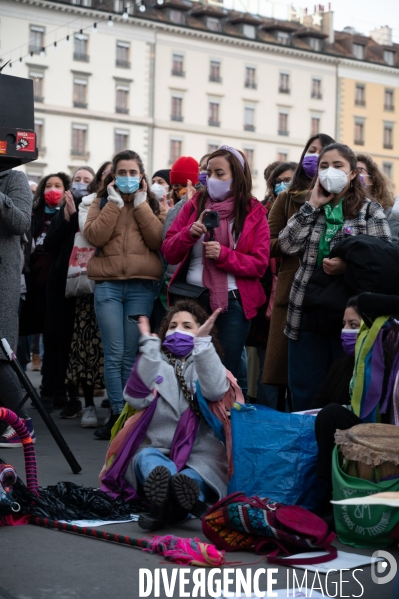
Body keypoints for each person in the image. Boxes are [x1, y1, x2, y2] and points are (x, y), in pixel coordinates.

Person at [279, 142, 391, 411]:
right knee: (304, 389)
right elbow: (287, 245)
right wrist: (312, 205)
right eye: (324, 166)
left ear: (353, 173)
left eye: (338, 165)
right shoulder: (312, 207)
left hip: (350, 316)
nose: (330, 171)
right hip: (307, 311)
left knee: (344, 389)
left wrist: (348, 266)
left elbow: (384, 261)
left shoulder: (369, 210)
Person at [112, 300, 229, 531]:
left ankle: (168, 502)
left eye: (187, 326)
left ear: (202, 332)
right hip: (157, 448)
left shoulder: (207, 364)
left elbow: (216, 389)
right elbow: (135, 397)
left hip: (200, 453)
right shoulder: (155, 364)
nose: (178, 331)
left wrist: (204, 346)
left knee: (196, 477)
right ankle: (179, 499)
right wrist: (148, 350)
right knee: (147, 461)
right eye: (173, 326)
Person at [162, 145, 270, 382]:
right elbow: (169, 252)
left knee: (225, 371)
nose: (212, 179)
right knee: (187, 367)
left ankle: (224, 418)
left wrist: (224, 255)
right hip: (191, 300)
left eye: (220, 173)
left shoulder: (253, 212)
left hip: (232, 305)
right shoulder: (194, 205)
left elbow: (259, 264)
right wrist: (188, 234)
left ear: (237, 177)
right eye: (209, 173)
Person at [84, 150, 166, 439]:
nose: (128, 178)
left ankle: (131, 417)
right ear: (113, 176)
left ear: (141, 176)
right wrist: (114, 206)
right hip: (107, 284)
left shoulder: (154, 203)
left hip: (141, 287)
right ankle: (117, 413)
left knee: (131, 355)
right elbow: (93, 236)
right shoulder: (102, 201)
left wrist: (142, 205)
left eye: (133, 173)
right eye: (122, 172)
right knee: (114, 353)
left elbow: (159, 240)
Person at [262, 134, 335, 403]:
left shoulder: (346, 201)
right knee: (297, 382)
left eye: (322, 152)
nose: (314, 157)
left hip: (333, 294)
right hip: (296, 294)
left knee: (331, 378)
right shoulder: (287, 199)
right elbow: (268, 244)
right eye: (310, 151)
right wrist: (299, 240)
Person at [41, 166, 95, 415]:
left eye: (87, 180)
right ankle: (49, 392)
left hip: (84, 284)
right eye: (77, 179)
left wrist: (76, 217)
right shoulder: (63, 210)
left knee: (76, 343)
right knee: (54, 338)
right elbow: (50, 245)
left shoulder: (95, 209)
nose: (81, 183)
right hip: (59, 283)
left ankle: (75, 396)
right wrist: (67, 218)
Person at [63, 166, 106, 426]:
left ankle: (117, 405)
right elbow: (91, 233)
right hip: (89, 284)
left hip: (119, 279)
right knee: (87, 345)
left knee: (117, 350)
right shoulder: (88, 204)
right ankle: (88, 404)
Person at [0, 169, 34, 447]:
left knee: (0, 351)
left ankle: (22, 422)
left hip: (2, 277)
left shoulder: (13, 179)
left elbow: (20, 222)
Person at [312, 297, 360, 409]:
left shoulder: (385, 369)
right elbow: (318, 403)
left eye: (353, 325)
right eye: (344, 324)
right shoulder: (341, 366)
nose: (345, 330)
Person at [356, 153, 399, 243]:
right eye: (352, 171)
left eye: (359, 170)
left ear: (371, 179)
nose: (355, 175)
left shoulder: (389, 213)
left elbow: (392, 247)